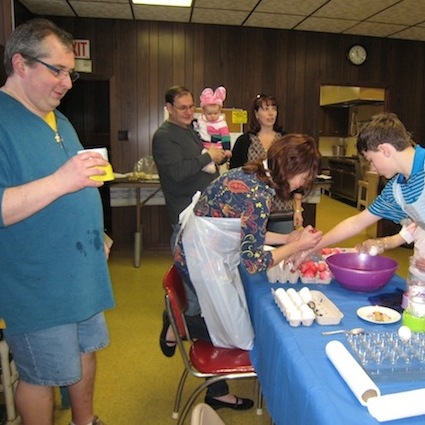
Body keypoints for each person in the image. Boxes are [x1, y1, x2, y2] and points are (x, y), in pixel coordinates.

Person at [0, 18, 115, 425]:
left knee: (85, 352)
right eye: (57, 70)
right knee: (41, 374)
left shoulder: (58, 119)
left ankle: (85, 422)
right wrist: (61, 181)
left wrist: (94, 230)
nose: (67, 83)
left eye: (71, 73)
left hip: (80, 272)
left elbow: (74, 187)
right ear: (20, 64)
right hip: (35, 284)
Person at [173, 134, 322, 408]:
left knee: (234, 314)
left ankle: (179, 322)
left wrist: (287, 239)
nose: (304, 184)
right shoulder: (258, 195)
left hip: (199, 245)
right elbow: (253, 262)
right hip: (200, 255)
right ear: (291, 169)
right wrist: (296, 244)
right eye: (305, 177)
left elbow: (248, 232)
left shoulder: (252, 172)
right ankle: (179, 324)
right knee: (238, 334)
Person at [307, 112, 423, 262]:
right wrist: (313, 247)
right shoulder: (397, 190)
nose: (372, 168)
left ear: (385, 150)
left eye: (371, 160)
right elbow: (357, 223)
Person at [230, 94, 304, 234]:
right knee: (253, 249)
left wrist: (298, 209)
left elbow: (297, 175)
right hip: (252, 210)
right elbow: (235, 177)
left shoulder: (286, 140)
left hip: (282, 210)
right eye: (265, 109)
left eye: (273, 109)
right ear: (256, 114)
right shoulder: (244, 141)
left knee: (284, 249)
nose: (270, 113)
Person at [196, 86, 232, 173]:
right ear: (203, 112)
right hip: (204, 146)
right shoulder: (200, 121)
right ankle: (208, 165)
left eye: (215, 113)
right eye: (209, 113)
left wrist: (227, 149)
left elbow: (225, 137)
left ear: (220, 111)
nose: (212, 116)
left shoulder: (221, 124)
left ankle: (211, 166)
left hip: (217, 147)